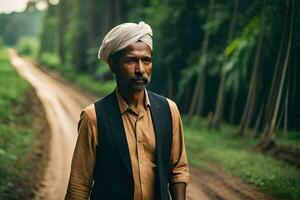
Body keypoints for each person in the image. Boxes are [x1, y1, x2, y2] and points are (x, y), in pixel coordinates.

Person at [65, 21, 189, 200]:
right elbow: (79, 184)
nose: (140, 70)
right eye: (131, 60)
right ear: (113, 65)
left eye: (146, 60)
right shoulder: (93, 117)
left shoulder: (169, 110)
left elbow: (178, 169)